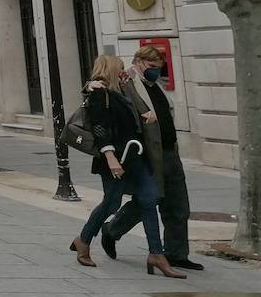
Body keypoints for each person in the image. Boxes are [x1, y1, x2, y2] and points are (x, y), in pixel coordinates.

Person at [72, 54, 184, 278]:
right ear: (110, 69)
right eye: (121, 68)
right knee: (111, 204)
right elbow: (100, 128)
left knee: (149, 199)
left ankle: (156, 254)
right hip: (114, 159)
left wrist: (144, 115)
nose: (125, 71)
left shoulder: (123, 90)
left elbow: (131, 113)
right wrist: (111, 159)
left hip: (136, 156)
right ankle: (83, 240)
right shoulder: (99, 93)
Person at [101, 45, 202, 271]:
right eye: (151, 66)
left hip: (170, 152)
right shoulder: (127, 82)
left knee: (178, 205)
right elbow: (103, 93)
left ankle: (176, 253)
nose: (155, 71)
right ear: (138, 61)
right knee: (148, 201)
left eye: (158, 67)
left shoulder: (156, 85)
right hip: (148, 154)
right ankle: (112, 229)